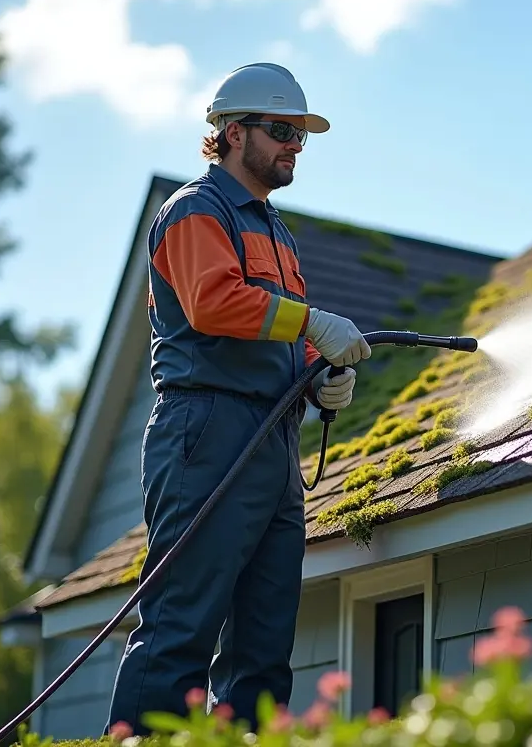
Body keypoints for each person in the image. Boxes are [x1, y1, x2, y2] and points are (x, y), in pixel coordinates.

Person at [106, 63, 369, 735]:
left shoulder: (277, 232)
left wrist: (322, 374)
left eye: (301, 136)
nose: (293, 146)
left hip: (272, 439)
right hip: (208, 429)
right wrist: (313, 324)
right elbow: (215, 301)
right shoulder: (196, 210)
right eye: (281, 130)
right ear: (229, 132)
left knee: (264, 640)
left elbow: (287, 332)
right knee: (182, 626)